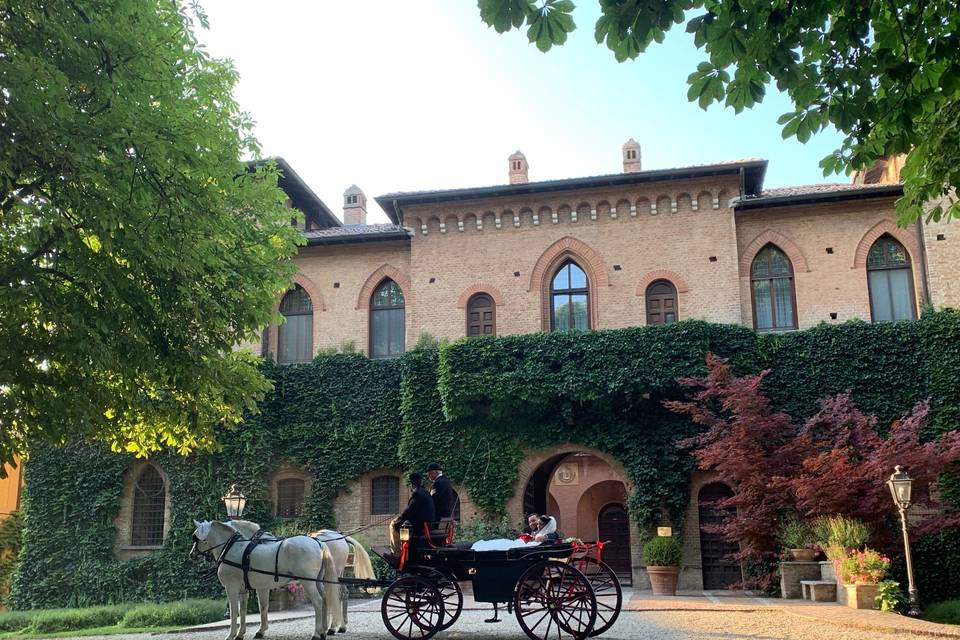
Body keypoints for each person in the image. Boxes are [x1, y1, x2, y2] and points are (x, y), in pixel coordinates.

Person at [389, 472, 436, 555]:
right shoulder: (425, 492)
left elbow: (409, 510)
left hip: (421, 525)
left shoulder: (417, 494)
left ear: (411, 484)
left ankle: (397, 553)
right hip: (427, 522)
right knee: (402, 522)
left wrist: (399, 519)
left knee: (393, 524)